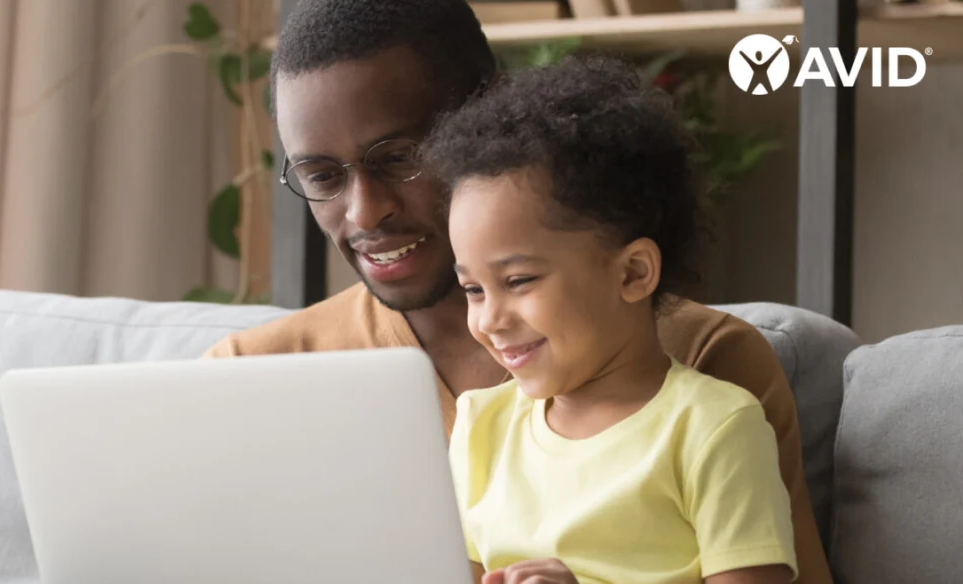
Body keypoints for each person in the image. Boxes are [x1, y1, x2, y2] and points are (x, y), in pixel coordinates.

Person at [202, 1, 831, 582]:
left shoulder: (711, 369)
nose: (364, 213)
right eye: (321, 175)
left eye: (399, 157)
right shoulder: (247, 377)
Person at [424, 53, 796, 584]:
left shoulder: (712, 429)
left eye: (519, 281)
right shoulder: (481, 427)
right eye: (472, 289)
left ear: (633, 273)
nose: (489, 319)